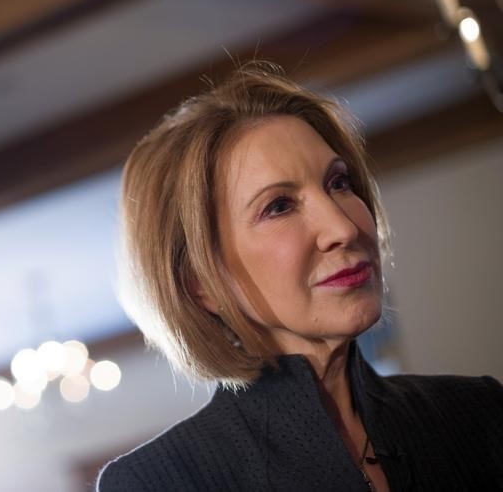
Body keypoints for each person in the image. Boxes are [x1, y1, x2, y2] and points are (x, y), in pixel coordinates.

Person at [97, 61, 503, 491]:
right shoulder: (160, 483)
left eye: (339, 183)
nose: (343, 228)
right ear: (200, 282)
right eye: (278, 207)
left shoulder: (476, 412)